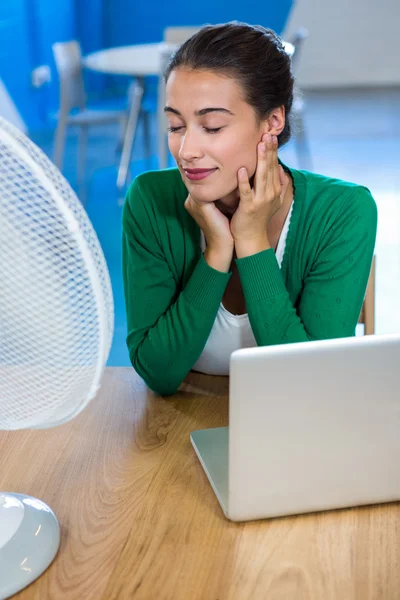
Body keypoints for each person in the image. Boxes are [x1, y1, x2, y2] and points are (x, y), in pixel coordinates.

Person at [122, 22, 377, 395]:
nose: (186, 150)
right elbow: (158, 374)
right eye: (176, 125)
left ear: (272, 122)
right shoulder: (150, 200)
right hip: (178, 424)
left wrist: (252, 240)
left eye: (211, 127)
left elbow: (312, 384)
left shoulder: (344, 211)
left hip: (294, 428)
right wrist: (217, 252)